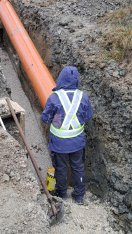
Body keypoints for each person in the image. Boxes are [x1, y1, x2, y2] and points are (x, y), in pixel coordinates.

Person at [41, 66, 93, 205]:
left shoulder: (54, 97)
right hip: (77, 143)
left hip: (59, 144)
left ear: (61, 80)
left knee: (60, 169)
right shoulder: (83, 97)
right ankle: (79, 196)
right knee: (78, 167)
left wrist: (58, 119)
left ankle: (61, 194)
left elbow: (45, 118)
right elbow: (87, 116)